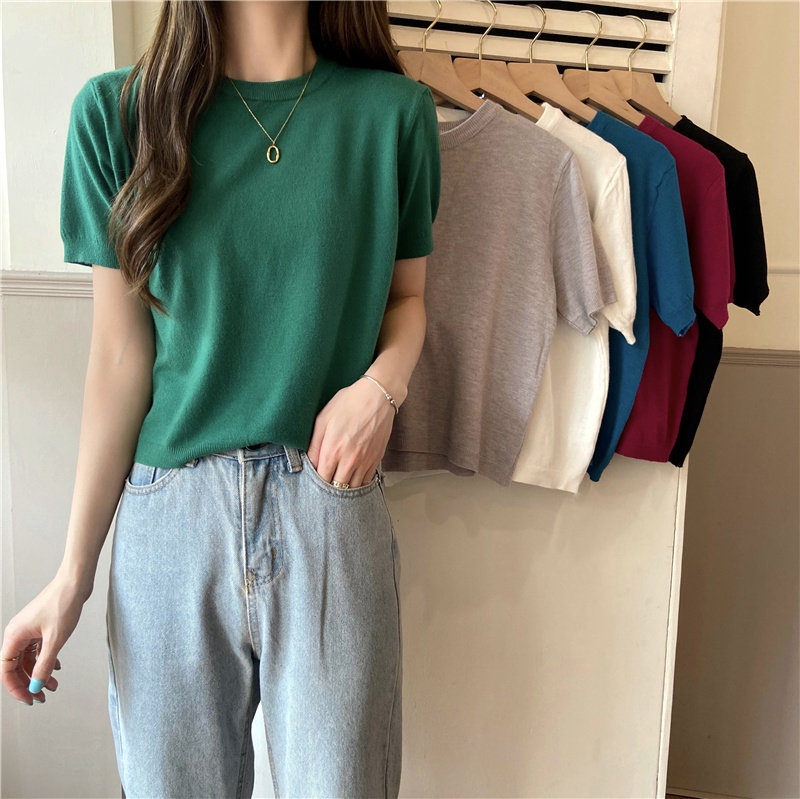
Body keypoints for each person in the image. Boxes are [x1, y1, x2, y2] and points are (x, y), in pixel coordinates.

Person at [1, 1, 440, 796]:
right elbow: (119, 357)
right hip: (168, 523)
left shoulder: (392, 115)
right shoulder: (116, 118)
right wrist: (72, 573)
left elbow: (407, 300)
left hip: (327, 506)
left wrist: (383, 386)